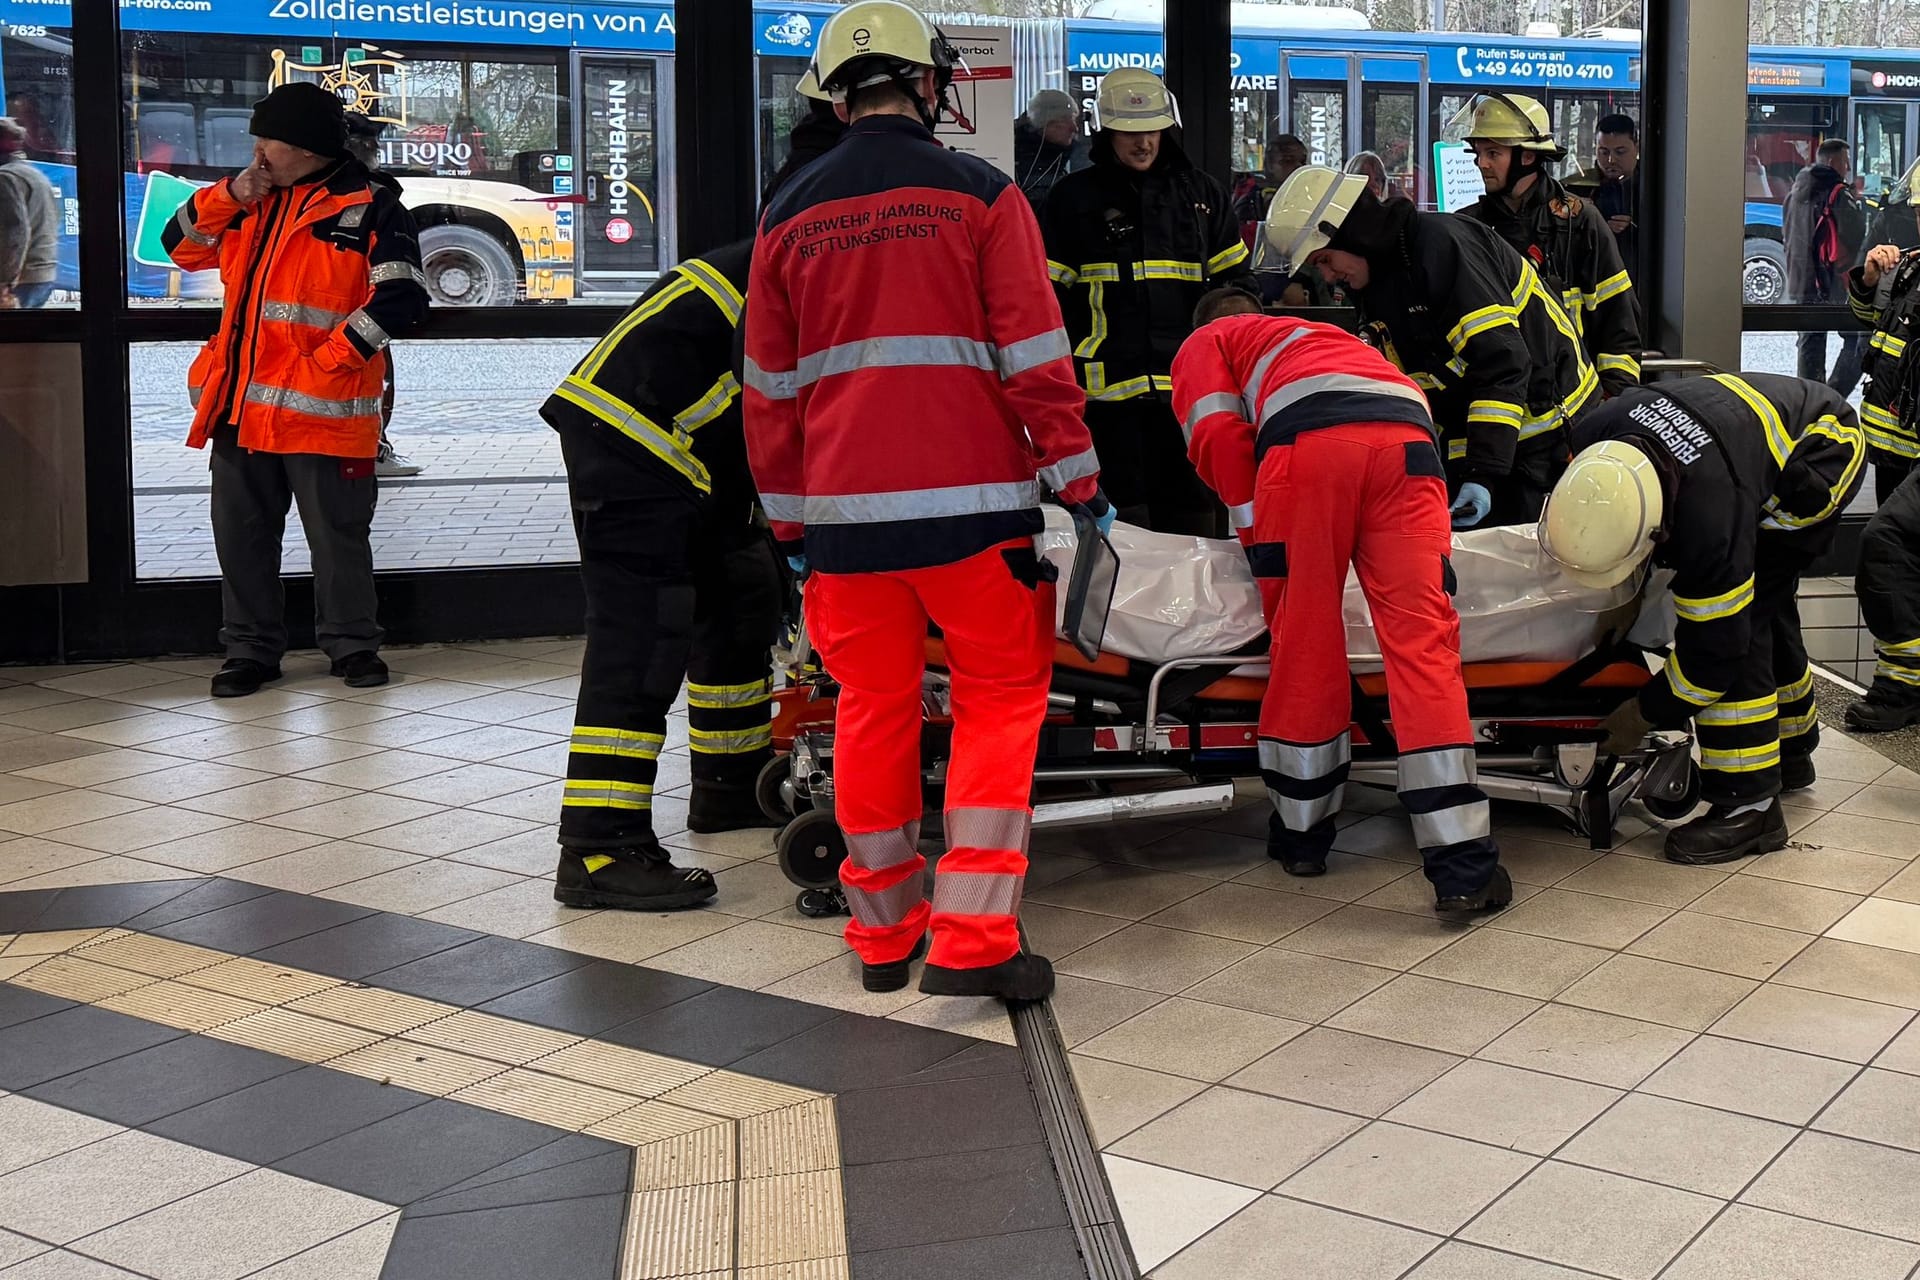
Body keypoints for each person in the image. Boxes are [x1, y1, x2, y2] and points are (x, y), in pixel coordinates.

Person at [746, 0, 1109, 1003]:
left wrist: (790, 525)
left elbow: (769, 397)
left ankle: (881, 930)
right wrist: (1079, 481)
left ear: (834, 94)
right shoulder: (982, 195)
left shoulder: (787, 214)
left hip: (844, 530)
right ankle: (975, 936)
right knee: (998, 708)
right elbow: (1038, 361)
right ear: (932, 86)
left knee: (870, 710)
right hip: (975, 522)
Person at [1174, 287, 1512, 916]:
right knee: (1423, 644)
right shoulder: (1314, 339)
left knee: (1306, 640)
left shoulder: (1207, 340)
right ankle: (1462, 864)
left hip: (1310, 453)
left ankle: (1302, 836)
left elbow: (1219, 436)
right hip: (1411, 443)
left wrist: (1258, 538)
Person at [163, 82, 428, 698]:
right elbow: (178, 249)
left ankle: (354, 648)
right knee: (243, 539)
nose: (256, 154)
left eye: (266, 142)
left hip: (325, 412)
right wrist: (229, 194)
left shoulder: (374, 207)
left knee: (339, 539)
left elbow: (402, 299)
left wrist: (332, 359)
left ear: (305, 148)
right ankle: (250, 652)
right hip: (238, 409)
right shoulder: (248, 198)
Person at [1541, 373, 1865, 863]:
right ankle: (1792, 750)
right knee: (1766, 607)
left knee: (1746, 621)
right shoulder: (1594, 435)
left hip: (1820, 457)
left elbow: (1712, 657)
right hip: (1743, 435)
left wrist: (1646, 711)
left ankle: (1750, 807)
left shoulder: (1708, 524)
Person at [1266, 164, 1596, 529]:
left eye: (1325, 260)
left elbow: (1502, 361)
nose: (1327, 276)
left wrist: (1483, 473)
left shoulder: (1440, 246)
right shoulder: (1379, 277)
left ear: (1351, 234)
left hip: (1543, 434)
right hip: (1479, 442)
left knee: (1527, 573)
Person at [1042, 67, 1250, 535]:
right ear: (1107, 132)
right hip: (1107, 404)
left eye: (1152, 129)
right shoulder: (1073, 200)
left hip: (1189, 398)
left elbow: (1235, 288)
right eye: (1129, 132)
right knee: (1123, 538)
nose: (1143, 143)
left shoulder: (1202, 195)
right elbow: (1047, 303)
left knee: (1196, 530)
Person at [1458, 94, 1641, 399]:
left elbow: (1619, 324)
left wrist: (1610, 404)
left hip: (1570, 410)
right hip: (1495, 410)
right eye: (1478, 153)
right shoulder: (1469, 229)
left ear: (1527, 157)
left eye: (1493, 153)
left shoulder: (1580, 223)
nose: (1481, 163)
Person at [1846, 237, 1920, 732]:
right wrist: (1869, 281)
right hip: (1895, 447)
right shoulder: (1909, 267)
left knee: (1887, 547)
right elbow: (1873, 323)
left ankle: (1902, 687)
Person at [343, 112, 425, 480]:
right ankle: (372, 449)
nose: (376, 147)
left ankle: (372, 448)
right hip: (357, 333)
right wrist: (345, 351)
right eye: (369, 141)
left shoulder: (280, 195)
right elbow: (401, 295)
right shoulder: (380, 202)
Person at [1783, 138, 1867, 391]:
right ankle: (1834, 396)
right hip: (1830, 281)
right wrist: (1857, 204)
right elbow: (1855, 235)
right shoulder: (1838, 193)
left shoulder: (1795, 191)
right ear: (1833, 161)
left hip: (1800, 278)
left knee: (1810, 341)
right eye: (1846, 160)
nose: (1849, 166)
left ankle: (1810, 398)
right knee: (1856, 338)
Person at [0, 117, 57, 309]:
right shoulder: (34, 175)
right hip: (42, 274)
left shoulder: (6, 178)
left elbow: (14, 234)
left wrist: (4, 281)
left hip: (20, 279)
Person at [1014, 88, 1085, 217]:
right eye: (1066, 119)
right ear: (1045, 122)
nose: (1074, 128)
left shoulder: (1058, 162)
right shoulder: (1011, 160)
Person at [1591, 113, 1642, 284]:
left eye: (1620, 152)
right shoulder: (1581, 188)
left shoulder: (1655, 189)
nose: (1611, 160)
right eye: (1603, 152)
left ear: (1637, 148)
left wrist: (1634, 227)